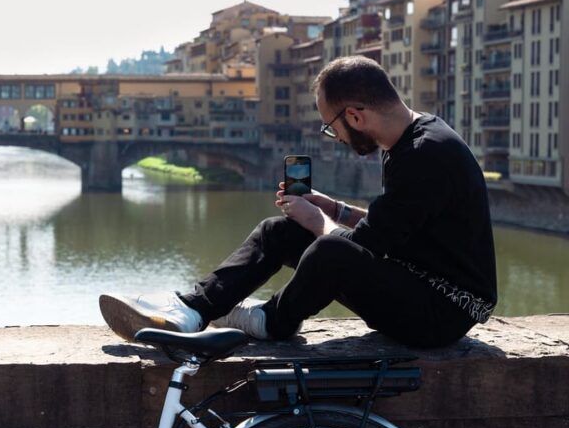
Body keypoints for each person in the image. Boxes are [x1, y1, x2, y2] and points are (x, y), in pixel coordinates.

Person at [99, 56, 497, 348]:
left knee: (328, 248)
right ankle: (193, 309)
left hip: (444, 310)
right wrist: (331, 209)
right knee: (280, 232)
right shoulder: (411, 137)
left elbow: (357, 248)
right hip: (417, 279)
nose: (335, 137)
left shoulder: (425, 155)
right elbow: (391, 228)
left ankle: (272, 322)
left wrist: (318, 222)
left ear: (355, 116)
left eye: (331, 126)